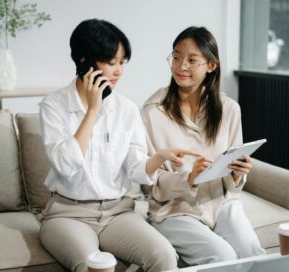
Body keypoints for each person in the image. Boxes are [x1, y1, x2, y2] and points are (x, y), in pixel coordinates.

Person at [39, 19, 196, 272]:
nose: (118, 71)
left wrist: (159, 157)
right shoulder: (53, 105)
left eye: (122, 62)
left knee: (165, 256)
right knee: (95, 267)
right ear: (84, 60)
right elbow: (64, 166)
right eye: (111, 62)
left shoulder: (127, 109)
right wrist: (93, 110)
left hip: (118, 213)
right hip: (68, 215)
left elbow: (135, 167)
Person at [141, 26, 266, 266]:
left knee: (253, 253)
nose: (181, 66)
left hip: (221, 204)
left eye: (191, 60)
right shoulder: (152, 112)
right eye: (176, 57)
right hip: (174, 210)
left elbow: (233, 182)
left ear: (211, 66)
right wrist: (187, 178)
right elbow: (149, 182)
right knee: (222, 257)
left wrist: (239, 174)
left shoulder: (229, 109)